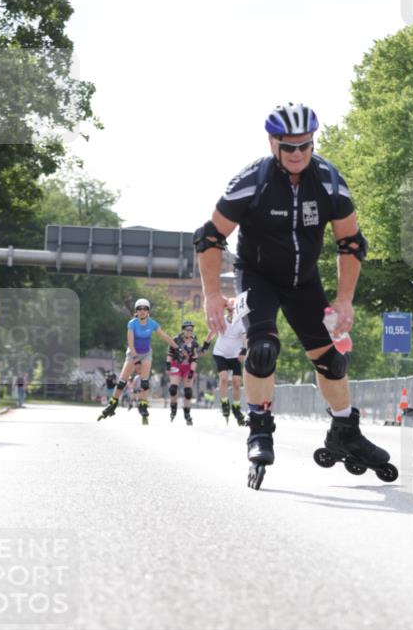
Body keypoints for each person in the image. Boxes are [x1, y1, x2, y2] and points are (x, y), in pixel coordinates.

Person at [194, 101, 393, 488]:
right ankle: (260, 430)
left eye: (305, 145)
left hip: (304, 281)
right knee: (264, 349)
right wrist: (212, 295)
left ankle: (344, 430)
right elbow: (210, 236)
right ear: (273, 144)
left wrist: (345, 299)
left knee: (333, 361)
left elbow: (350, 242)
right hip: (257, 277)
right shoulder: (252, 180)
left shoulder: (329, 180)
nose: (298, 153)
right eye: (289, 147)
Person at [98, 298, 176, 423]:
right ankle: (112, 405)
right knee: (122, 382)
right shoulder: (132, 323)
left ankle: (143, 406)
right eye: (139, 309)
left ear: (148, 311)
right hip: (133, 353)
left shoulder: (152, 323)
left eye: (145, 309)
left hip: (146, 354)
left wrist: (176, 347)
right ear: (137, 311)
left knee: (145, 383)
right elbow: (130, 343)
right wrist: (135, 360)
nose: (142, 311)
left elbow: (164, 335)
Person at [203, 297, 247, 425]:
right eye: (229, 309)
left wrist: (244, 350)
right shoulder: (221, 319)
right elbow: (212, 332)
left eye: (233, 309)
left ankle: (237, 407)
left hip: (235, 355)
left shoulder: (242, 321)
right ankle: (224, 403)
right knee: (223, 378)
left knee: (236, 382)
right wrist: (205, 345)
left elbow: (245, 337)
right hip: (220, 353)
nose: (231, 311)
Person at [166, 320, 209, 425]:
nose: (190, 332)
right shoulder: (176, 340)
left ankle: (187, 414)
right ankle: (173, 407)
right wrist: (168, 364)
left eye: (191, 330)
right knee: (173, 389)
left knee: (188, 392)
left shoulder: (194, 342)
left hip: (188, 366)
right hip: (176, 365)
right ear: (183, 330)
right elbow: (170, 353)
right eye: (187, 329)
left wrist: (192, 371)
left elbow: (195, 359)